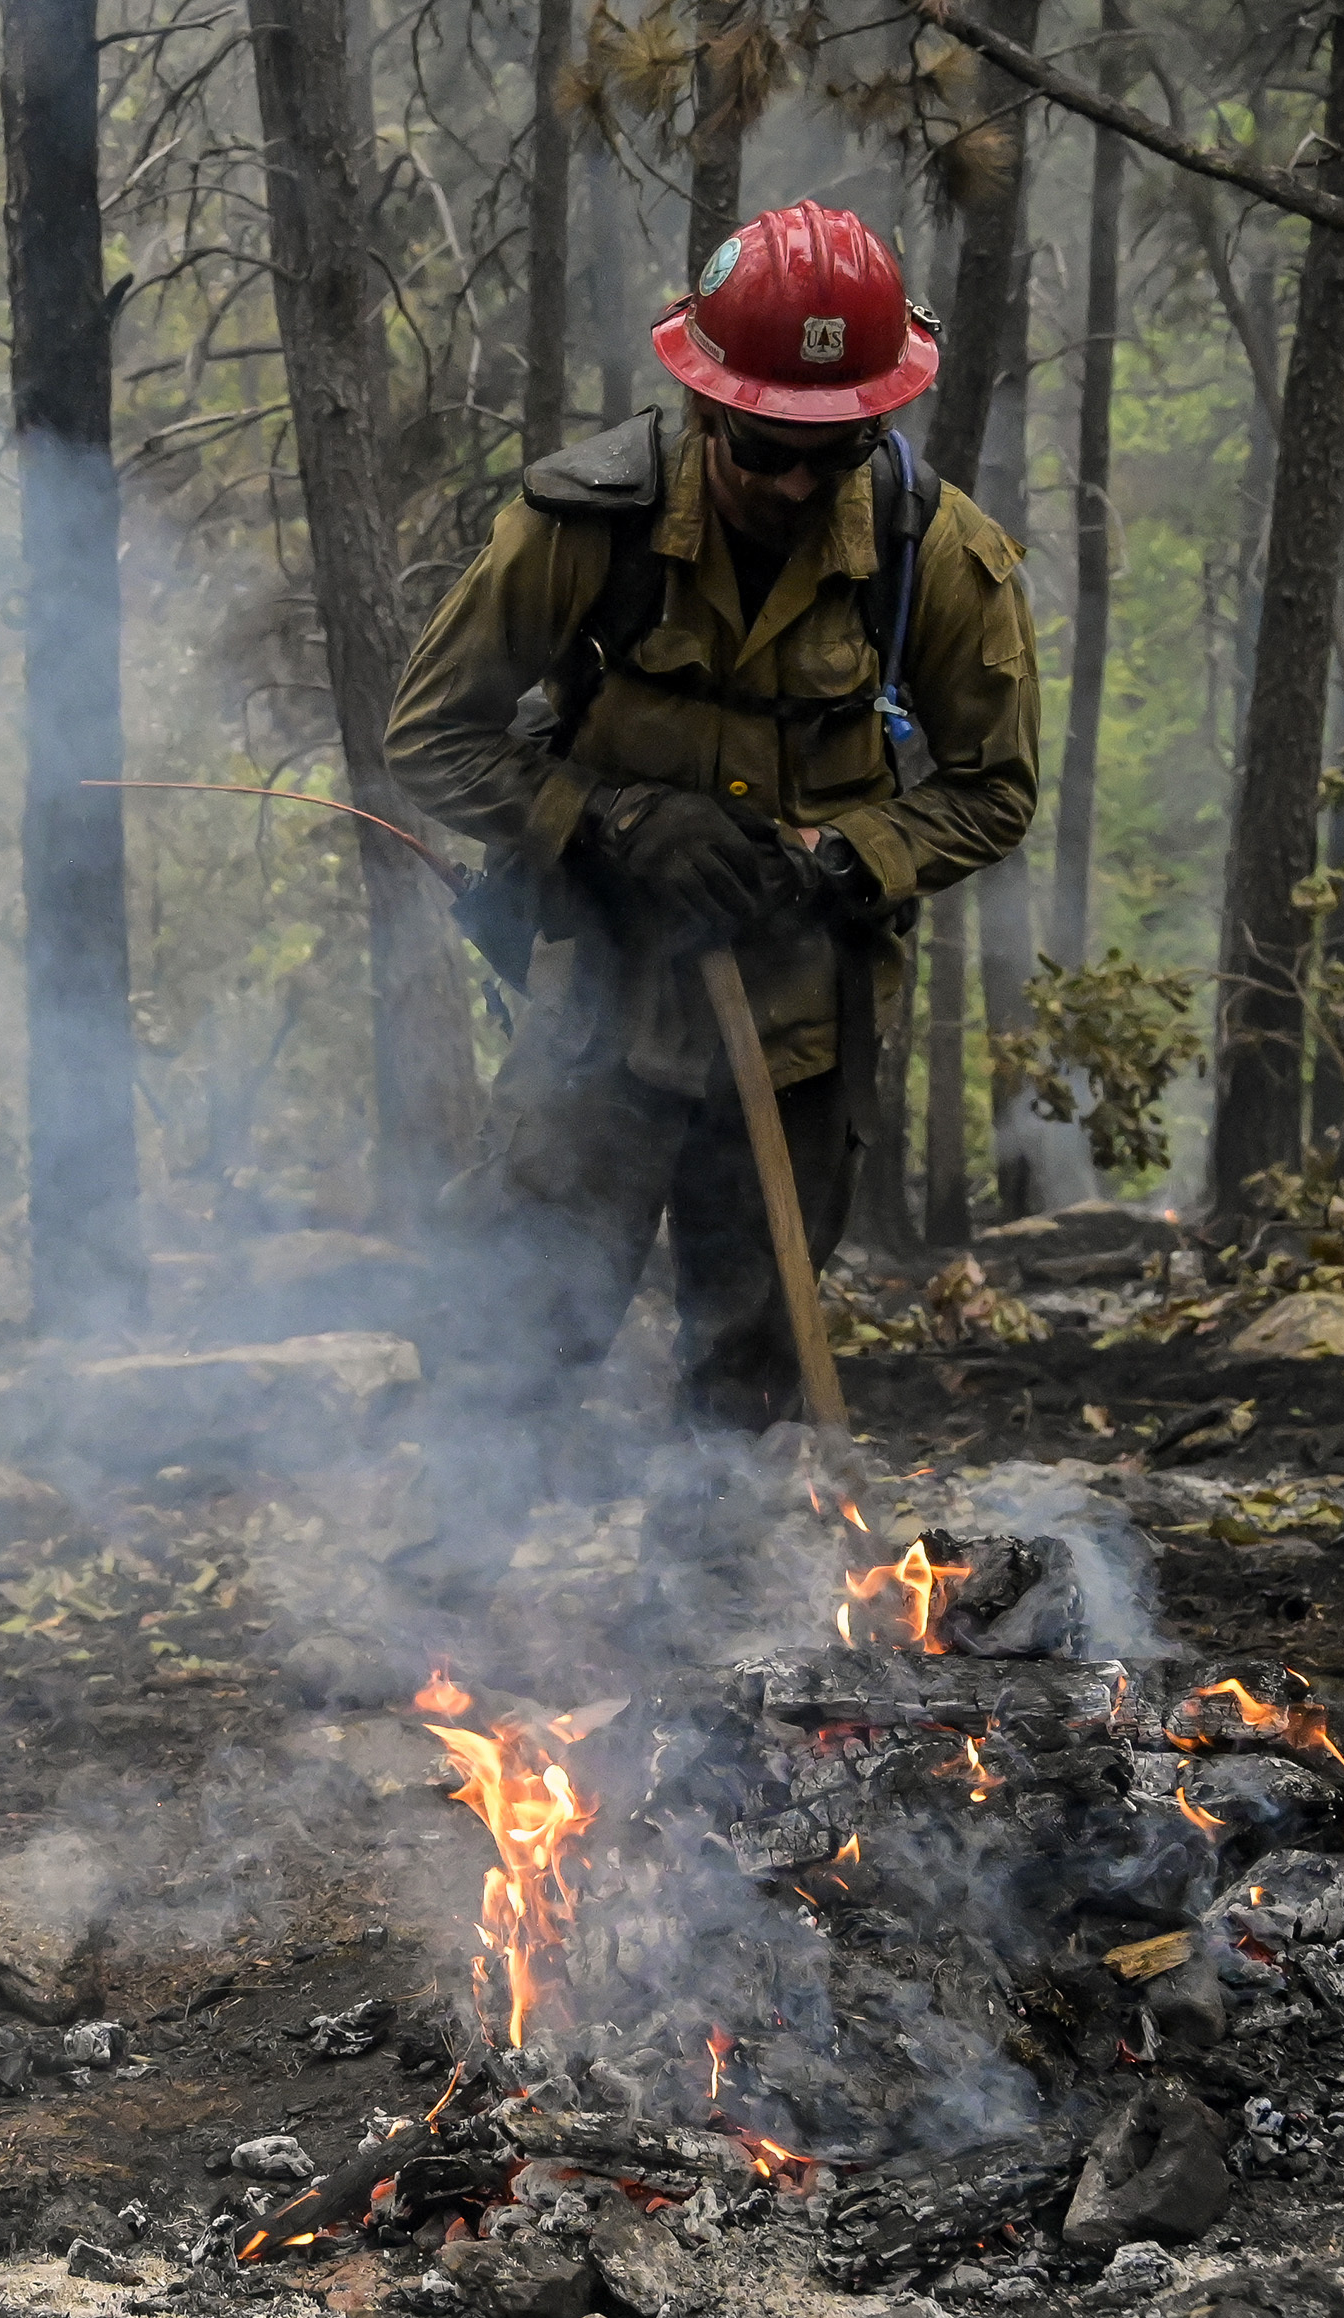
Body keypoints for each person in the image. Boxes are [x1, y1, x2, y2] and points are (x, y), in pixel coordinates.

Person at [387, 199, 1037, 1437]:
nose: (797, 482)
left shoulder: (935, 555)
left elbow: (994, 787)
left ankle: (705, 1626)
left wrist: (854, 860)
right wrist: (607, 817)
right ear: (705, 399)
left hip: (796, 1046)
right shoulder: (586, 525)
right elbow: (429, 735)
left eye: (834, 451)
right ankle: (440, 1611)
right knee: (508, 1349)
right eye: (766, 444)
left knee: (741, 1382)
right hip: (598, 1022)